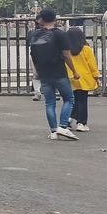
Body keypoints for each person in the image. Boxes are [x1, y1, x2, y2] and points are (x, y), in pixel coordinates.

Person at [27, 8, 79, 140]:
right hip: (59, 71)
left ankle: (53, 131)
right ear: (55, 19)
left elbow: (32, 54)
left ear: (41, 20)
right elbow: (66, 55)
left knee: (49, 103)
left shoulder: (33, 35)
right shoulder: (60, 34)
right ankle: (63, 126)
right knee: (69, 99)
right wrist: (74, 71)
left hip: (44, 73)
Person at [67, 27, 100, 132]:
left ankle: (68, 119)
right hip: (84, 78)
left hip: (70, 77)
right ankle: (81, 123)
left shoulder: (66, 50)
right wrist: (96, 77)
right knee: (82, 101)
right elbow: (92, 65)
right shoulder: (86, 49)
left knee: (72, 100)